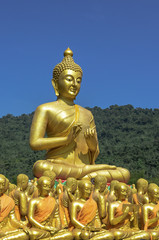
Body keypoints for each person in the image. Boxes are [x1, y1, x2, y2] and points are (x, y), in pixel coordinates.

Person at [30, 48, 130, 183]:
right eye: (69, 79)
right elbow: (35, 142)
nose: (74, 85)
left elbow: (94, 151)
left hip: (84, 166)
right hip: (58, 165)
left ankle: (83, 174)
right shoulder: (45, 109)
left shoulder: (87, 114)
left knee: (124, 173)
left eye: (78, 80)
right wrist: (66, 139)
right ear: (55, 83)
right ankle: (86, 176)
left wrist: (93, 144)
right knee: (40, 167)